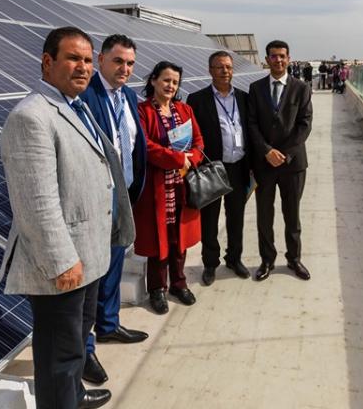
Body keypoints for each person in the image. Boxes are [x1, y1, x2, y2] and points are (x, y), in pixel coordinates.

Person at [0, 27, 133, 409]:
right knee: (60, 354)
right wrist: (61, 261)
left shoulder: (76, 106)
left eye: (88, 60)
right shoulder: (31, 117)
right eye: (74, 58)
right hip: (63, 264)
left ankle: (74, 396)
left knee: (75, 342)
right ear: (48, 62)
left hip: (87, 255)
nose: (84, 67)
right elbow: (35, 202)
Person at [78, 34, 148, 386]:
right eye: (118, 61)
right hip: (95, 201)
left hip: (123, 197)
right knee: (91, 277)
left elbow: (132, 145)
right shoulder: (85, 96)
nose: (125, 68)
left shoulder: (129, 97)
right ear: (101, 59)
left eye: (130, 63)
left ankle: (108, 325)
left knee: (114, 265)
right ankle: (84, 349)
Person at [134, 61, 205, 313]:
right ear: (153, 80)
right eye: (166, 80)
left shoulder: (185, 110)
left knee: (178, 239)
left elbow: (198, 141)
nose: (170, 86)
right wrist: (177, 159)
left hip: (182, 185)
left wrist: (191, 159)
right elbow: (146, 146)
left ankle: (178, 283)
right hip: (156, 188)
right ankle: (157, 289)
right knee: (158, 240)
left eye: (175, 82)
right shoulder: (142, 111)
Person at [247, 40, 313, 282]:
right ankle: (267, 260)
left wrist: (283, 153)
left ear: (288, 58)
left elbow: (305, 124)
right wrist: (267, 151)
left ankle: (294, 259)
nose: (278, 60)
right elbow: (251, 123)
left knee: (292, 214)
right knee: (264, 214)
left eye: (282, 56)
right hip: (264, 164)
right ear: (267, 60)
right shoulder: (256, 88)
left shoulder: (301, 88)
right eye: (273, 56)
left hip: (293, 164)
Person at [186, 51, 251, 285]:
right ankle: (210, 263)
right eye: (220, 67)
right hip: (212, 168)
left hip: (238, 167)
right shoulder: (197, 99)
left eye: (228, 67)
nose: (225, 71)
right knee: (210, 219)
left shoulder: (244, 97)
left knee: (236, 217)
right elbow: (192, 136)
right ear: (210, 70)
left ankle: (234, 259)